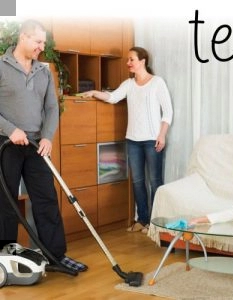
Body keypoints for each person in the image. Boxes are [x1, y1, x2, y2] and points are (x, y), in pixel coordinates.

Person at [0, 19, 87, 272]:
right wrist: (10, 130)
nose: (41, 47)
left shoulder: (44, 71)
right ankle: (4, 259)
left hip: (37, 144)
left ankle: (55, 256)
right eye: (38, 42)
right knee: (6, 204)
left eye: (43, 43)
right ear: (23, 38)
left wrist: (48, 136)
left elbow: (51, 108)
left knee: (46, 199)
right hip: (6, 143)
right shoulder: (1, 66)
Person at [80, 46, 173, 233]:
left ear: (142, 61)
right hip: (133, 140)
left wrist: (162, 135)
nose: (128, 63)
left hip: (153, 140)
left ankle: (156, 224)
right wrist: (94, 92)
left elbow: (168, 112)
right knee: (138, 181)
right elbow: (113, 97)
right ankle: (142, 220)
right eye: (128, 59)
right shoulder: (129, 84)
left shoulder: (157, 82)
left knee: (155, 181)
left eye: (131, 59)